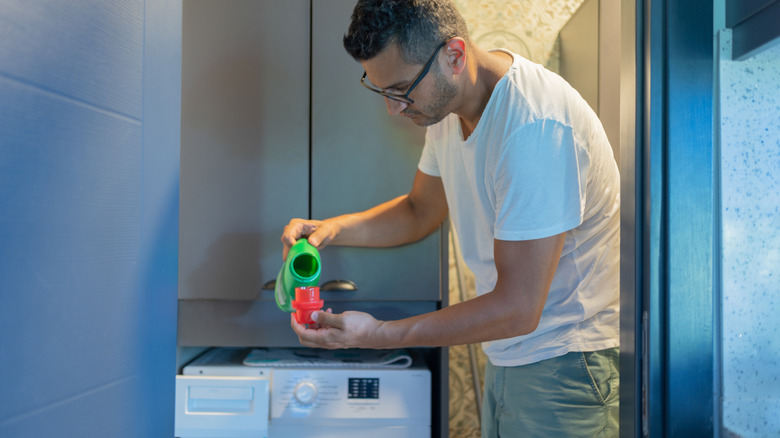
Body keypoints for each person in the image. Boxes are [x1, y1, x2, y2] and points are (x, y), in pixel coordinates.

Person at [281, 0, 620, 436]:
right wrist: (331, 230)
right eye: (381, 90)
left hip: (567, 364)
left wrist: (378, 334)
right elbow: (419, 210)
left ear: (455, 56)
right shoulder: (445, 110)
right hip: (511, 355)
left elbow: (519, 309)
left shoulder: (535, 127)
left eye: (402, 89)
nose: (394, 109)